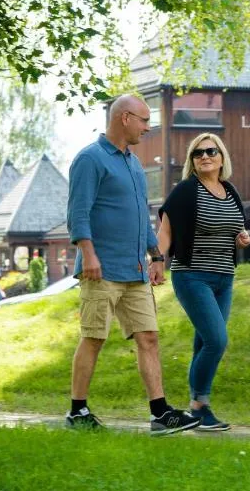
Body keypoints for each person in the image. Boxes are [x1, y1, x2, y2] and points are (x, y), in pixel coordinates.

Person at [65, 94, 200, 436]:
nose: (148, 126)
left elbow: (142, 217)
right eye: (143, 120)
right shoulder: (90, 159)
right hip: (101, 268)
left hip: (135, 270)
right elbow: (77, 212)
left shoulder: (133, 163)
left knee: (149, 337)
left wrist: (155, 255)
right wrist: (88, 254)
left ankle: (160, 413)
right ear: (124, 118)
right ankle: (77, 411)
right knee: (94, 336)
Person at [151, 133, 250, 431]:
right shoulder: (185, 191)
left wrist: (242, 239)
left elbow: (235, 229)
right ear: (192, 162)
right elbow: (166, 231)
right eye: (198, 153)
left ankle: (198, 408)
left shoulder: (230, 191)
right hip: (192, 275)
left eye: (211, 151)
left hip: (224, 278)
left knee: (205, 341)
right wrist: (157, 260)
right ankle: (198, 407)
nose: (205, 156)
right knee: (217, 340)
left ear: (222, 157)